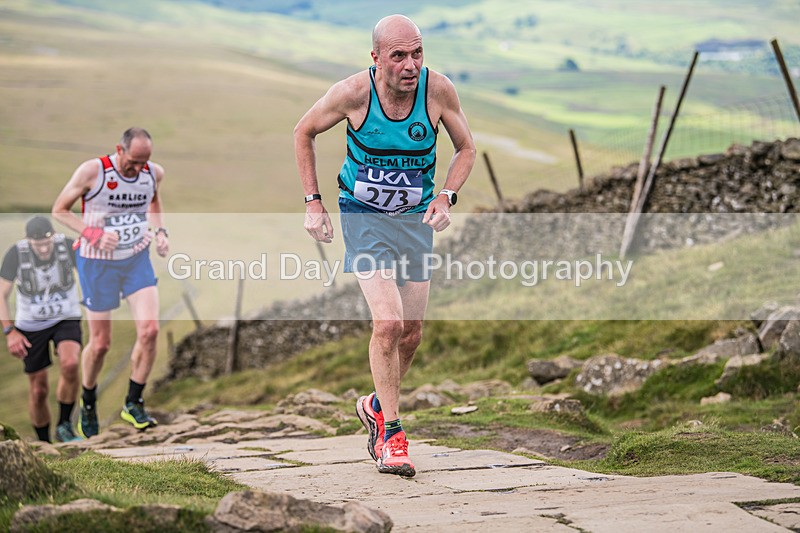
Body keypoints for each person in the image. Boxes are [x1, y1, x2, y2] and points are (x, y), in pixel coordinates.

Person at [294, 14, 476, 477]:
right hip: (364, 216)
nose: (410, 65)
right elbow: (304, 132)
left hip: (414, 222)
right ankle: (391, 434)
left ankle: (376, 405)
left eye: (417, 53)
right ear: (376, 59)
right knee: (389, 322)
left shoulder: (439, 92)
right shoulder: (354, 93)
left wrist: (446, 194)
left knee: (412, 332)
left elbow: (466, 148)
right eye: (398, 56)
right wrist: (314, 203)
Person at [52, 127, 169, 437]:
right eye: (132, 162)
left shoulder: (152, 173)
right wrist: (93, 234)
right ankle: (88, 402)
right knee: (101, 344)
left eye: (143, 163)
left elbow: (154, 201)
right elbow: (59, 210)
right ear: (119, 149)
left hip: (135, 259)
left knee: (150, 330)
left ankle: (133, 401)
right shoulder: (93, 171)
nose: (137, 169)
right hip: (96, 262)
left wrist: (160, 233)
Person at [0, 216, 83, 443]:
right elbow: (1, 294)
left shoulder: (67, 246)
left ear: (54, 235)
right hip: (31, 324)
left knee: (71, 363)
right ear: (28, 241)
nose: (45, 248)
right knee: (38, 390)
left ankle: (65, 425)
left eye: (48, 242)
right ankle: (44, 443)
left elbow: (90, 270)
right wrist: (10, 332)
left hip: (66, 317)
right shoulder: (16, 254)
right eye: (39, 245)